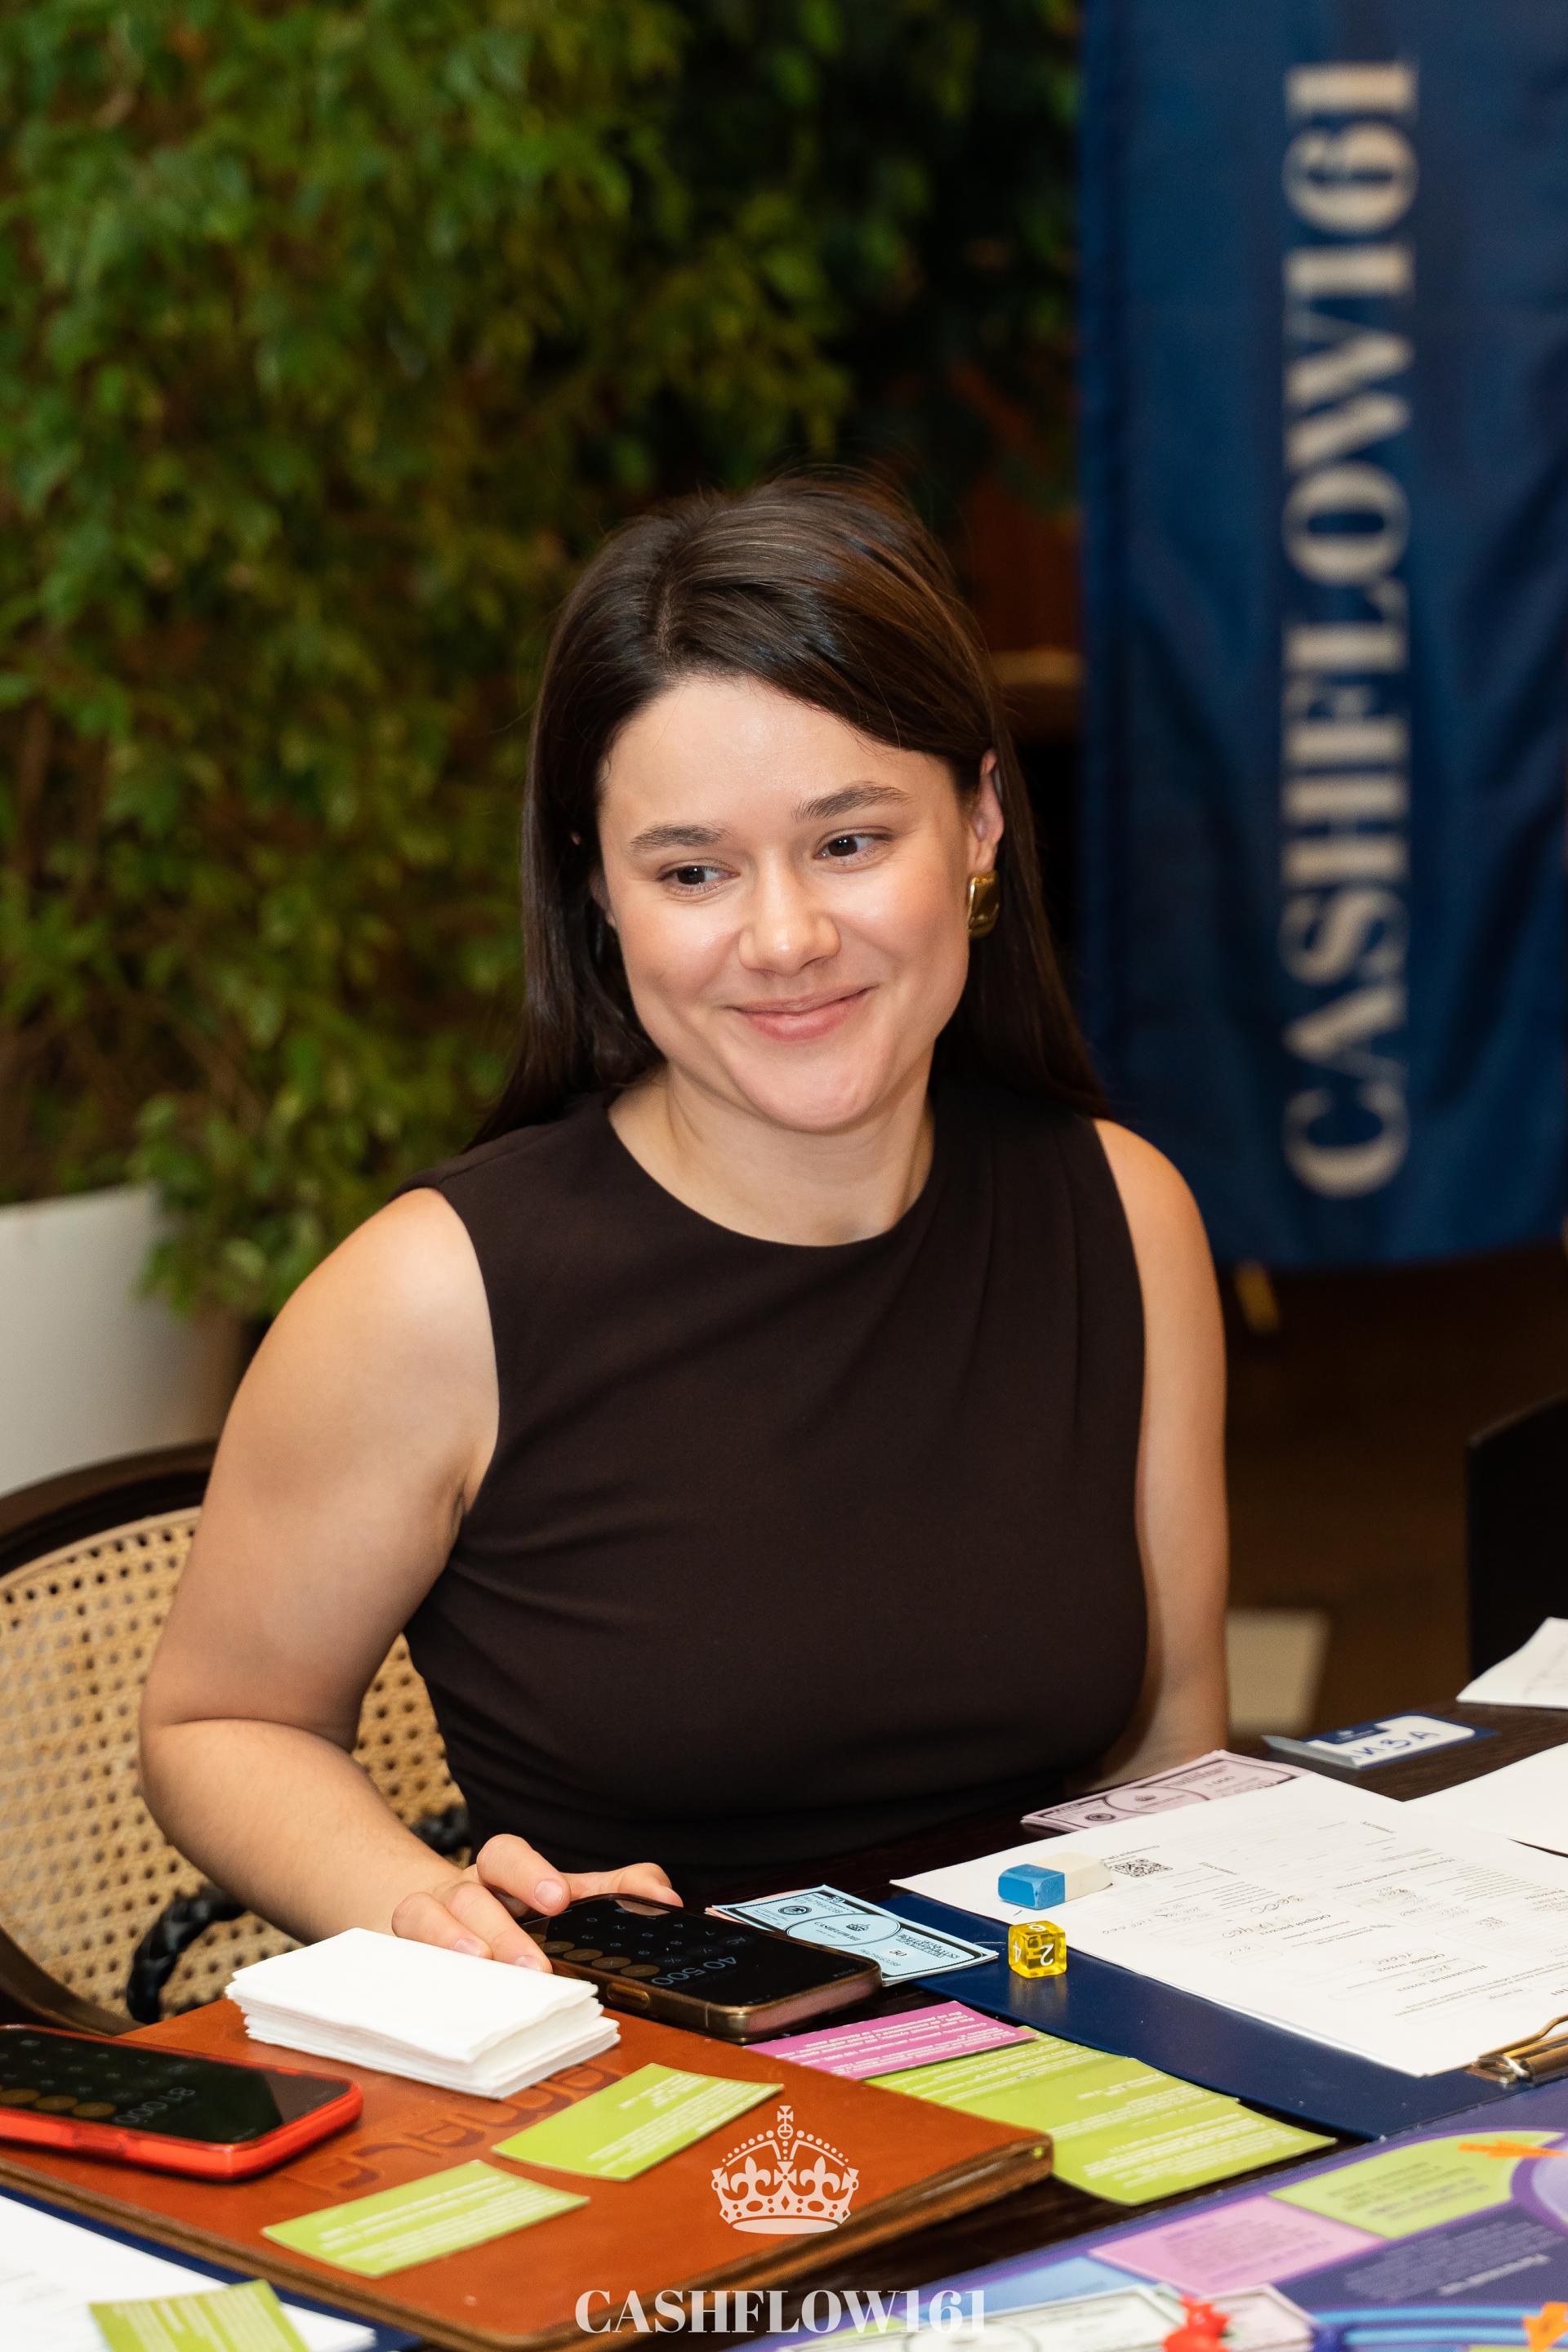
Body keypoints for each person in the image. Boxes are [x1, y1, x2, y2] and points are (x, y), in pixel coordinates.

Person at [140, 474, 1227, 1972]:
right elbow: (221, 1722)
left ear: (979, 824)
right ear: (599, 890)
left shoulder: (1122, 1212)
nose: (784, 938)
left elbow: (1173, 1766)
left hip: (1057, 2051)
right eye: (694, 871)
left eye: (850, 842)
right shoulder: (434, 1296)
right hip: (648, 2068)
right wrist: (424, 1907)